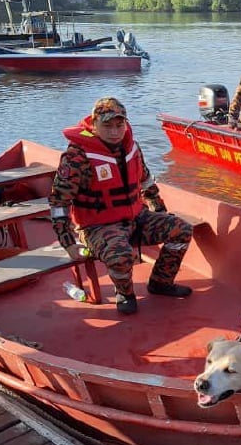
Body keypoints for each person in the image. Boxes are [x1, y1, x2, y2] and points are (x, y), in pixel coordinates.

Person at [49, 98, 194, 315]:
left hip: (136, 217)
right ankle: (124, 293)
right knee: (121, 256)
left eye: (119, 125)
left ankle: (160, 282)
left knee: (181, 229)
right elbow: (58, 202)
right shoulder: (76, 157)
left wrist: (159, 209)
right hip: (96, 226)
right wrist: (67, 242)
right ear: (94, 124)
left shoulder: (131, 147)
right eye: (107, 126)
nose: (115, 132)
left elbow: (145, 181)